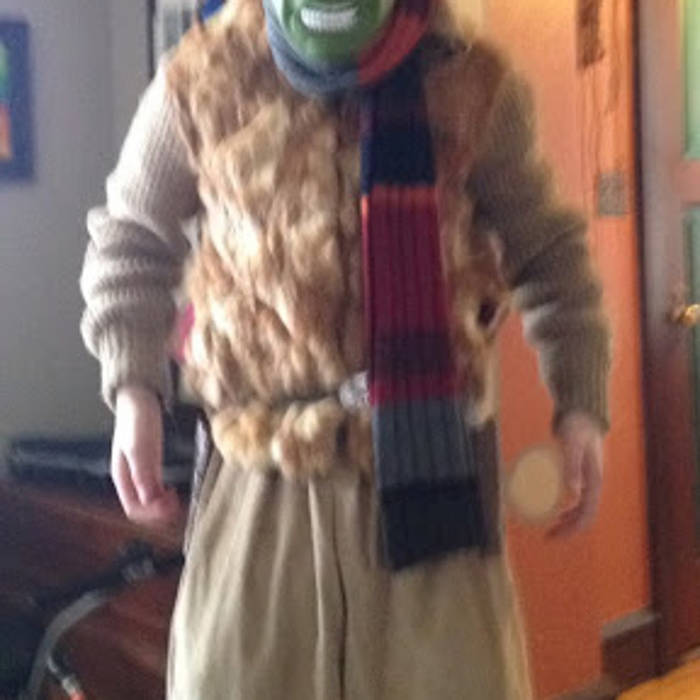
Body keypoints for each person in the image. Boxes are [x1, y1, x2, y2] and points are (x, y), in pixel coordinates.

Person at [80, 0, 610, 697]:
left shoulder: (470, 80)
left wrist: (580, 401)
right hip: (261, 494)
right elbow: (131, 238)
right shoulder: (205, 77)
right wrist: (134, 390)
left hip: (432, 491)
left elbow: (550, 251)